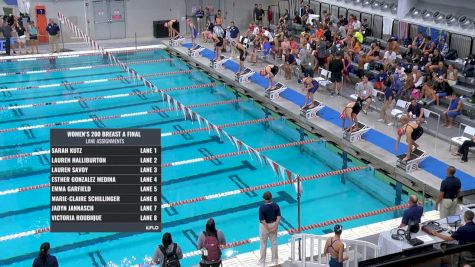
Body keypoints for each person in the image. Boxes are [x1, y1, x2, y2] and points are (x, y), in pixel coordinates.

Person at [259, 191, 281, 266]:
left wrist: (268, 228)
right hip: (274, 224)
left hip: (265, 227)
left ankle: (262, 262)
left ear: (264, 199)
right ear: (271, 198)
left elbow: (262, 220)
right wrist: (275, 227)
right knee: (274, 243)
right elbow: (278, 217)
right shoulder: (276, 205)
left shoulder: (262, 208)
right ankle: (275, 260)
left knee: (263, 244)